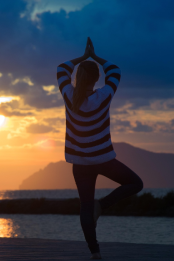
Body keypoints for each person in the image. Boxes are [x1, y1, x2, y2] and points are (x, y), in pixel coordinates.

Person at [56, 37, 143, 260]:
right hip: (103, 159)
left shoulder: (68, 95)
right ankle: (102, 206)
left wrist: (82, 58)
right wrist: (94, 57)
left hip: (79, 163)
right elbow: (115, 70)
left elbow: (61, 68)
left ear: (77, 78)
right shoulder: (104, 95)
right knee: (135, 183)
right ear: (96, 79)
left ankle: (95, 253)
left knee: (85, 206)